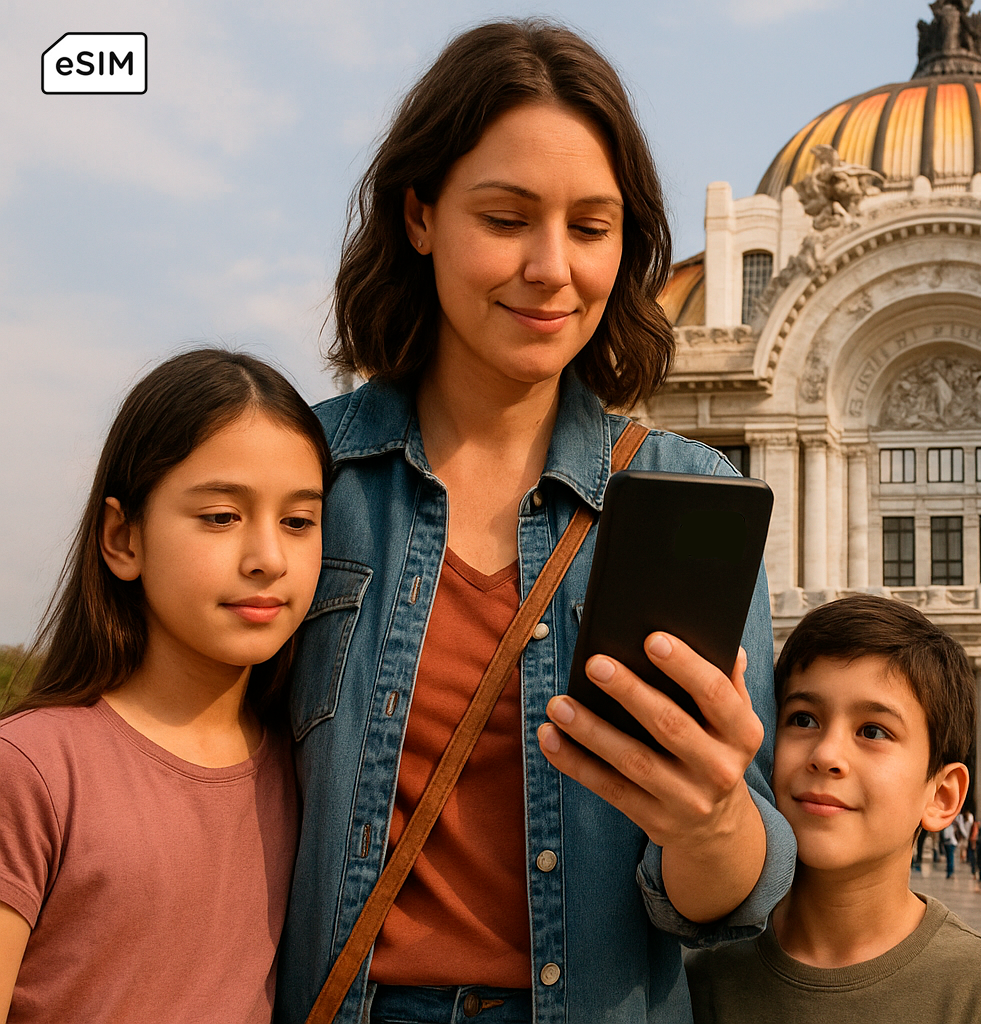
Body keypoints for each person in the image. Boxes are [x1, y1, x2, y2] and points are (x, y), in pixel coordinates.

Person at [275, 22, 794, 1024]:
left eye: (592, 228)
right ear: (420, 215)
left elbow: (730, 902)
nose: (552, 269)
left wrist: (714, 813)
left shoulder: (690, 492)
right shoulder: (307, 472)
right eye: (507, 219)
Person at [0, 350, 330, 1022]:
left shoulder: (310, 773)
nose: (268, 557)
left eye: (298, 522)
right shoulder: (32, 770)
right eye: (220, 517)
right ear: (123, 538)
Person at [685, 595, 981, 1023]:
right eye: (803, 719)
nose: (826, 754)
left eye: (873, 731)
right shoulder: (702, 977)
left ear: (942, 796)